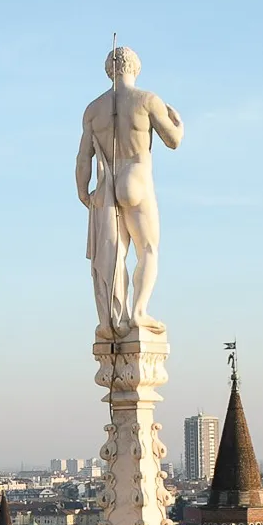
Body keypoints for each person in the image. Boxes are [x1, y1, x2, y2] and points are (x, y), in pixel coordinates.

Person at [76, 46, 183, 338]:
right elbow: (172, 141)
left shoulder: (93, 109)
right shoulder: (146, 100)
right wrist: (179, 123)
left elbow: (83, 157)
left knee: (114, 256)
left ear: (109, 70)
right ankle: (138, 312)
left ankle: (116, 316)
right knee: (147, 249)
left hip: (106, 184)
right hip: (136, 177)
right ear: (135, 68)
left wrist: (83, 192)